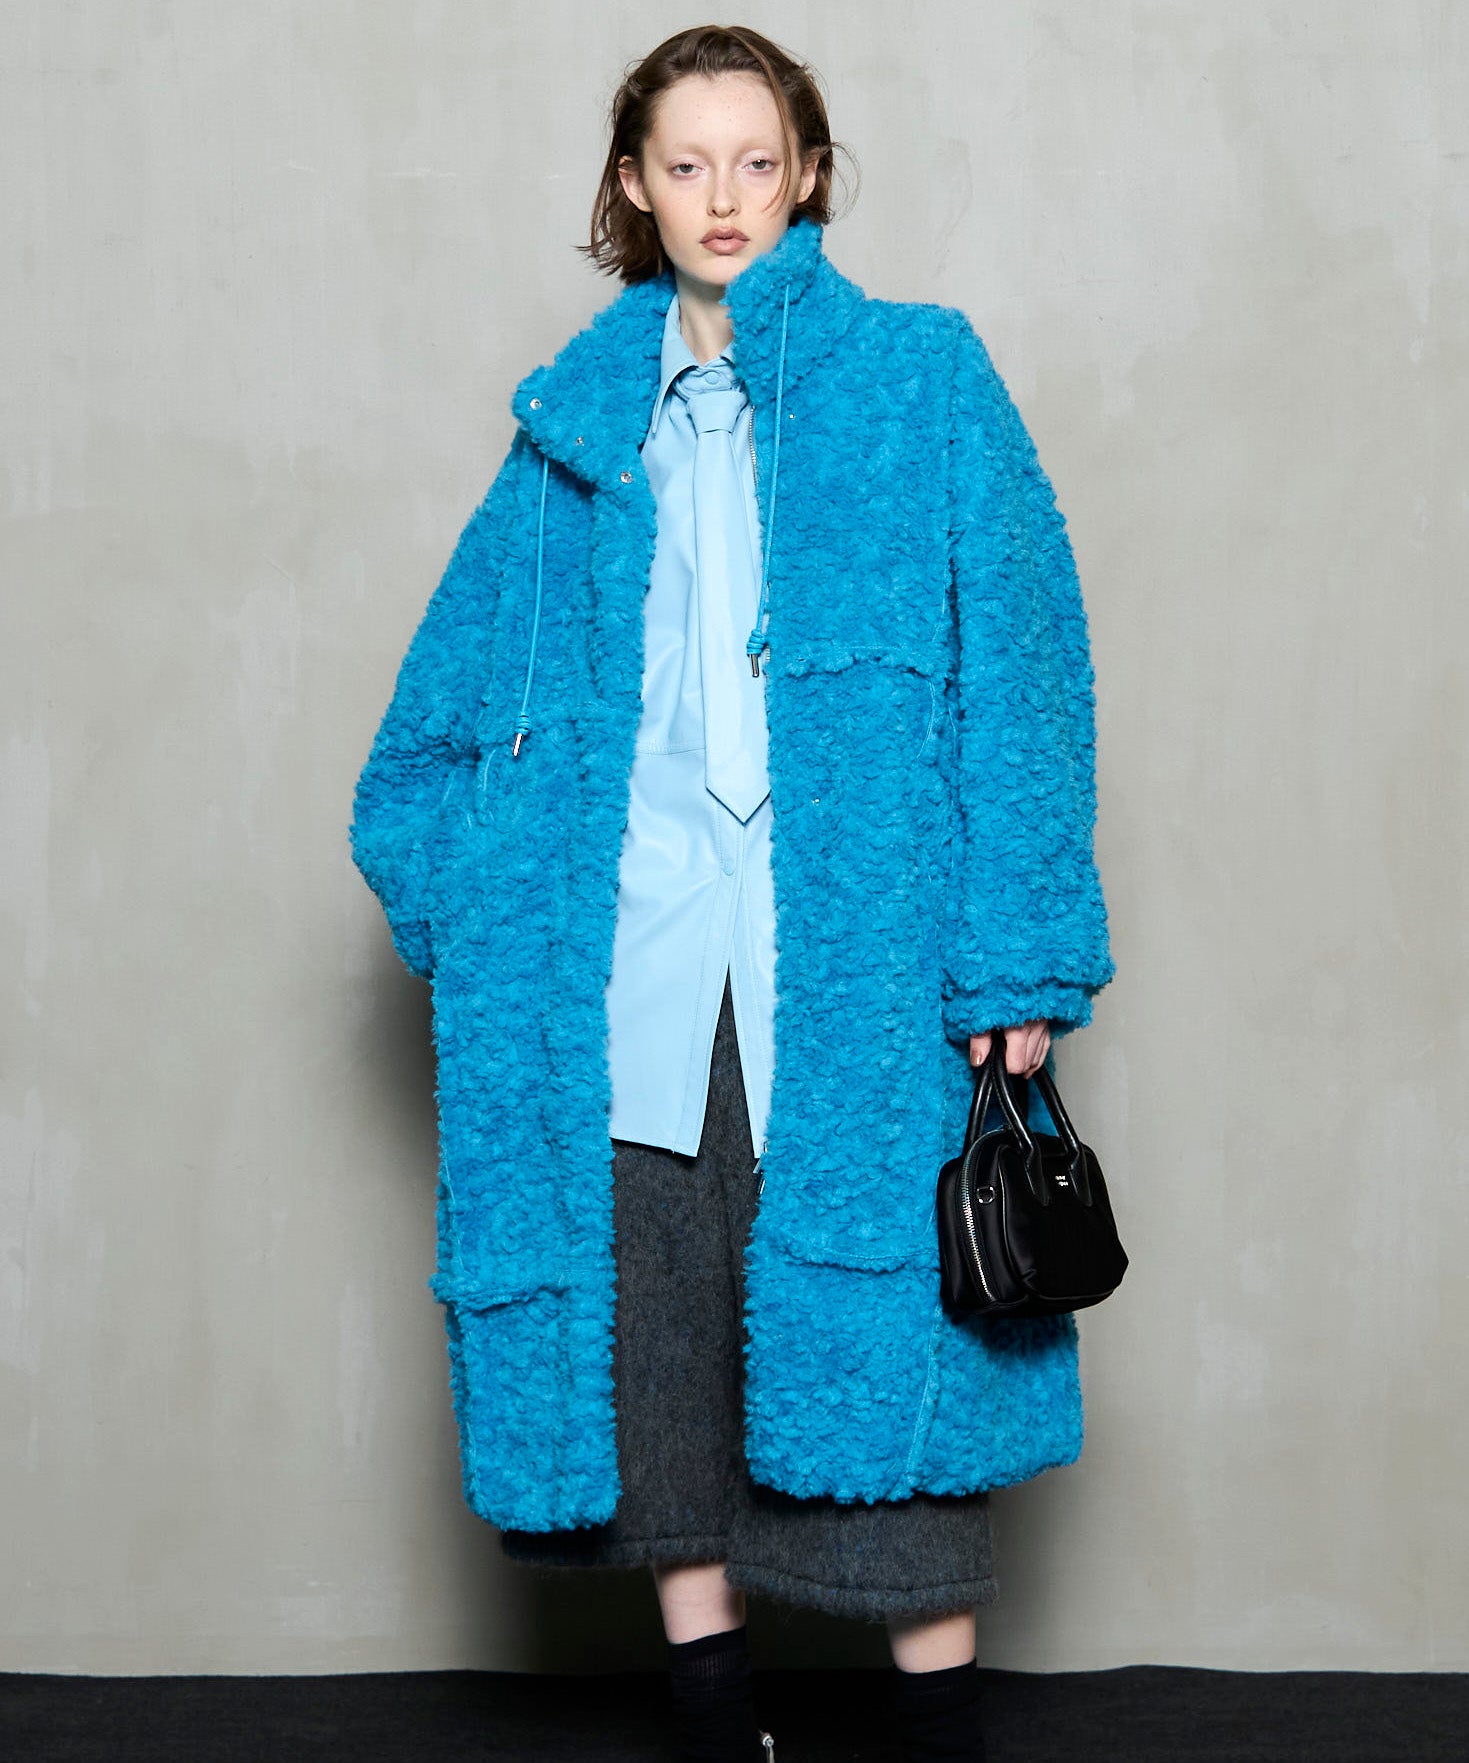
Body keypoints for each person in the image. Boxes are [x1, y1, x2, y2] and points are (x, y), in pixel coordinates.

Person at [350, 23, 1115, 1763]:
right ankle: (714, 1720)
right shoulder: (570, 433)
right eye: (685, 165)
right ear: (632, 185)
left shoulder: (922, 380)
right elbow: (435, 733)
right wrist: (484, 923)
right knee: (663, 1359)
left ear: (809, 175)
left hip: (851, 961)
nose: (722, 198)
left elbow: (1027, 680)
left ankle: (938, 1739)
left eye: (755, 162)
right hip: (626, 964)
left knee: (893, 1358)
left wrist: (1015, 955)